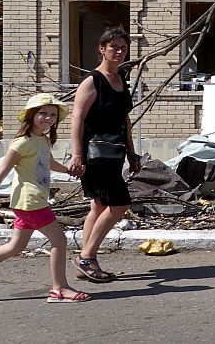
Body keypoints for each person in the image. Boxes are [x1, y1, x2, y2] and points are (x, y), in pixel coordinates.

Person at [0, 93, 91, 303]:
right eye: (42, 113)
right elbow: (1, 172)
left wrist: (70, 171)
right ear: (31, 115)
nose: (48, 118)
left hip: (33, 200)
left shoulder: (41, 139)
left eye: (52, 115)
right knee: (59, 241)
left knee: (15, 246)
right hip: (30, 201)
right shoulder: (21, 143)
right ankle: (59, 289)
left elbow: (48, 163)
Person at [67, 26, 141, 282]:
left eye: (123, 47)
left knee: (98, 205)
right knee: (119, 204)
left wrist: (132, 153)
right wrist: (76, 154)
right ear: (102, 49)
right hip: (94, 154)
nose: (119, 52)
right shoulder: (92, 81)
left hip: (115, 152)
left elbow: (125, 120)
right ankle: (87, 257)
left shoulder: (121, 79)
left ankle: (87, 259)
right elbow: (77, 118)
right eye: (114, 47)